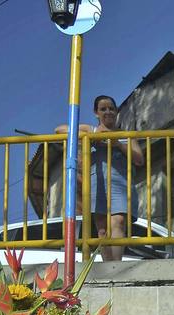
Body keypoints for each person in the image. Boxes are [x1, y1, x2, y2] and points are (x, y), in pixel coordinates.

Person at [56, 94, 142, 262]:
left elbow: (139, 159)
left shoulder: (126, 135)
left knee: (118, 222)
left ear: (116, 112)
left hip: (121, 186)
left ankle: (116, 265)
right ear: (96, 113)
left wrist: (118, 144)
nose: (108, 112)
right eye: (103, 109)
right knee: (101, 230)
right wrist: (94, 134)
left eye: (111, 108)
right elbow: (59, 129)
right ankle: (107, 265)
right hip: (97, 185)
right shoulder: (90, 131)